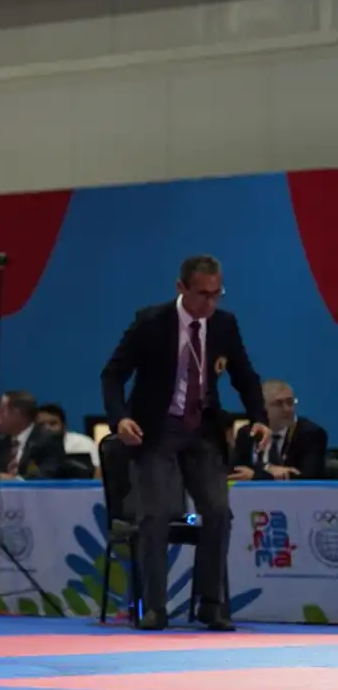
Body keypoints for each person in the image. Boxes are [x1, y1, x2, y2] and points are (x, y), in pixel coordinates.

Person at [101, 254, 269, 632]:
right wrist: (119, 419)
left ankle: (211, 604)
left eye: (216, 294)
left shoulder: (224, 324)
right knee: (157, 513)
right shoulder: (151, 322)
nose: (209, 303)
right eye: (202, 294)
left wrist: (259, 418)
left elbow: (244, 375)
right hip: (156, 430)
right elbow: (112, 376)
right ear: (181, 288)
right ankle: (156, 607)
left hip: (202, 431)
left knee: (218, 512)